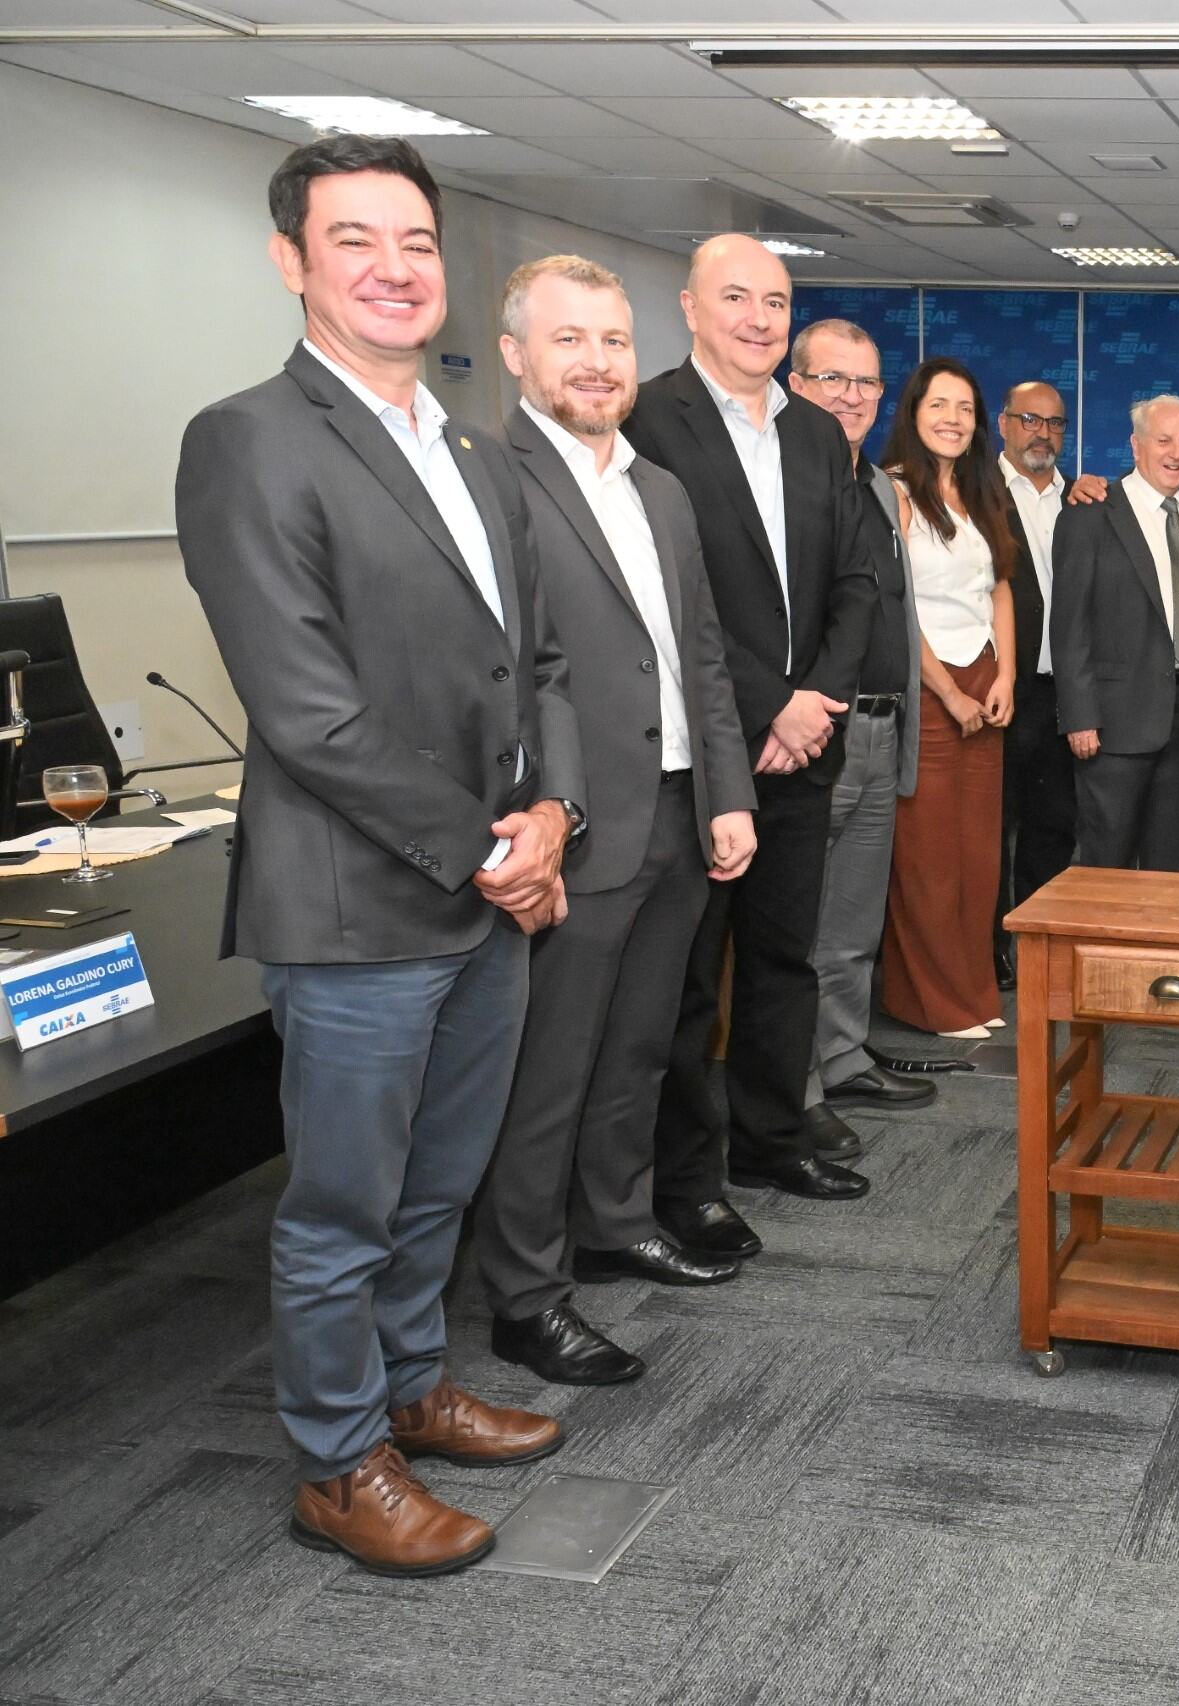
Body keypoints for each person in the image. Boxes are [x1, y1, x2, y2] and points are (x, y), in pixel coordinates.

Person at [176, 134, 581, 1575]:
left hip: (489, 896)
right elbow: (309, 713)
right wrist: (488, 849)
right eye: (355, 240)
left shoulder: (473, 449)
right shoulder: (249, 438)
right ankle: (339, 1459)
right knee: (342, 1207)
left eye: (415, 241)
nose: (395, 268)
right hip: (358, 904)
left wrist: (555, 816)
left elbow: (538, 665)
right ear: (291, 261)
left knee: (436, 1185)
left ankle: (413, 1386)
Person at [480, 255, 761, 1386]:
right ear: (515, 356)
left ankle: (615, 1220)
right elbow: (507, 675)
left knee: (642, 1047)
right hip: (575, 821)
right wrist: (544, 810)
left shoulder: (661, 490)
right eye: (569, 340)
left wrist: (729, 790)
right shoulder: (493, 482)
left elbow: (700, 653)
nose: (597, 363)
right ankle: (524, 1292)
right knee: (549, 1071)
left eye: (612, 340)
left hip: (679, 811)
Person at [626, 236, 880, 1238]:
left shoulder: (816, 432)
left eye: (775, 300)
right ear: (691, 308)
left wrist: (815, 700)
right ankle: (685, 1181)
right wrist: (772, 701)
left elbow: (856, 580)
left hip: (804, 746)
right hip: (704, 750)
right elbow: (663, 593)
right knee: (689, 980)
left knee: (784, 958)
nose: (758, 318)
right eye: (735, 297)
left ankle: (773, 1136)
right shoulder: (648, 418)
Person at [787, 319, 937, 1112]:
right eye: (832, 379)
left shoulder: (879, 487)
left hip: (882, 727)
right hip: (818, 737)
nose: (852, 396)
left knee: (851, 924)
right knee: (798, 928)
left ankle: (842, 1056)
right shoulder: (783, 483)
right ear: (795, 386)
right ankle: (796, 1088)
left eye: (867, 382)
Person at [876, 357, 1019, 1040]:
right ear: (913, 412)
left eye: (965, 408)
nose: (953, 419)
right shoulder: (894, 491)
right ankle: (930, 1003)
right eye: (939, 405)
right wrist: (948, 694)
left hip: (985, 686)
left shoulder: (981, 490)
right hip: (929, 690)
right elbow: (898, 609)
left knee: (978, 856)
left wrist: (1006, 676)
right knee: (927, 858)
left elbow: (1000, 587)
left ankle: (972, 992)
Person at [1051, 396, 1179, 871]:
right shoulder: (1090, 514)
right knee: (1107, 864)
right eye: (1164, 440)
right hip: (1114, 725)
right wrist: (1079, 716)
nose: (1176, 453)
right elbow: (1068, 625)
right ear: (1135, 445)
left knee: (1173, 864)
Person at [996, 380, 1080, 951]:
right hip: (1001, 691)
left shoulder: (1085, 498)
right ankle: (989, 949)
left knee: (1054, 828)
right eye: (1030, 419)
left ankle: (1036, 946)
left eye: (1053, 423)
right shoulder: (974, 492)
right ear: (1004, 424)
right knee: (989, 831)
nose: (1041, 433)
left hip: (1063, 696)